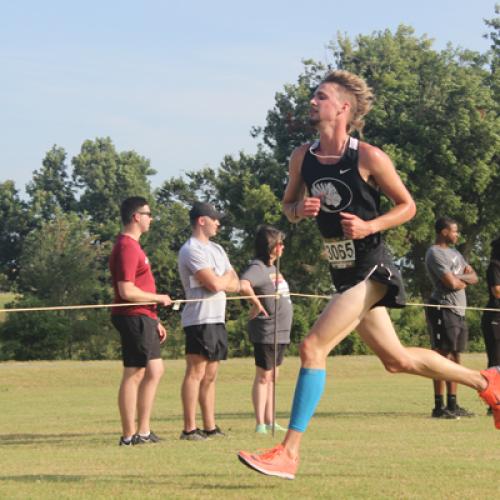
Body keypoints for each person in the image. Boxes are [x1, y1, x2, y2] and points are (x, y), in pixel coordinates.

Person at [237, 69, 500, 480]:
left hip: (373, 268)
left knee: (312, 348)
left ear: (343, 107)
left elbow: (407, 206)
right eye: (313, 96)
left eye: (320, 96)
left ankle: (289, 452)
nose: (312, 102)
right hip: (342, 273)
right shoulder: (301, 157)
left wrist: (369, 226)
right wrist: (299, 210)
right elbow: (288, 205)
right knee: (396, 360)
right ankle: (486, 381)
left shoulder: (368, 156)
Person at [109, 196, 172, 446]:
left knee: (155, 370)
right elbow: (126, 291)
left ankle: (144, 431)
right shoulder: (126, 246)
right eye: (148, 214)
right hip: (132, 316)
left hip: (145, 316)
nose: (151, 218)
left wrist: (154, 318)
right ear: (136, 217)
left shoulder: (135, 247)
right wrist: (159, 298)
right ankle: (128, 436)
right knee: (134, 373)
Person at [178, 201, 240, 440]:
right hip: (199, 319)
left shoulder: (218, 250)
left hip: (217, 318)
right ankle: (189, 428)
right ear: (201, 221)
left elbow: (235, 281)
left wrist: (222, 280)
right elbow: (214, 283)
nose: (218, 223)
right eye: (214, 219)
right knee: (196, 372)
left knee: (211, 374)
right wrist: (222, 280)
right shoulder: (191, 249)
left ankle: (210, 427)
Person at [240, 225, 293, 434]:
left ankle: (271, 420)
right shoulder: (258, 267)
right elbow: (243, 284)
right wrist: (256, 304)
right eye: (279, 243)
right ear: (270, 246)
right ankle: (260, 423)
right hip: (266, 331)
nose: (283, 247)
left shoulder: (274, 268)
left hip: (281, 332)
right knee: (264, 376)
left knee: (273, 377)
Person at [425, 217, 478, 419]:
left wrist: (461, 279)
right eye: (454, 231)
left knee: (455, 357)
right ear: (444, 232)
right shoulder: (435, 253)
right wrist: (461, 279)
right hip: (443, 308)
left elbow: (474, 277)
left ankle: (453, 404)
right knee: (440, 356)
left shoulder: (455, 253)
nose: (457, 235)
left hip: (458, 310)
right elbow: (451, 284)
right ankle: (439, 407)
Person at [481, 237, 500, 379]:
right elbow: (497, 291)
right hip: (495, 319)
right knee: (496, 361)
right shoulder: (495, 266)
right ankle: (494, 398)